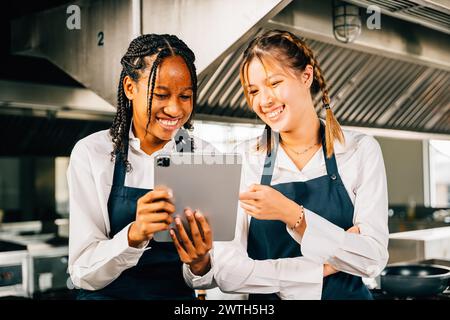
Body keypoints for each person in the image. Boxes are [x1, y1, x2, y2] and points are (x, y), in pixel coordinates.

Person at [175, 29, 389, 300]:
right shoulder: (242, 160)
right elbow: (228, 273)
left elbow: (372, 259)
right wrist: (327, 264)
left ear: (306, 76)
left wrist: (292, 214)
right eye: (253, 91)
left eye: (274, 83)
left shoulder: (359, 151)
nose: (264, 101)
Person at [67, 34, 215, 300]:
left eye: (185, 96)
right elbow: (81, 272)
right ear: (129, 87)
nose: (175, 109)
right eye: (161, 94)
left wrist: (200, 262)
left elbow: (207, 277)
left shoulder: (203, 156)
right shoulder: (93, 153)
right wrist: (134, 234)